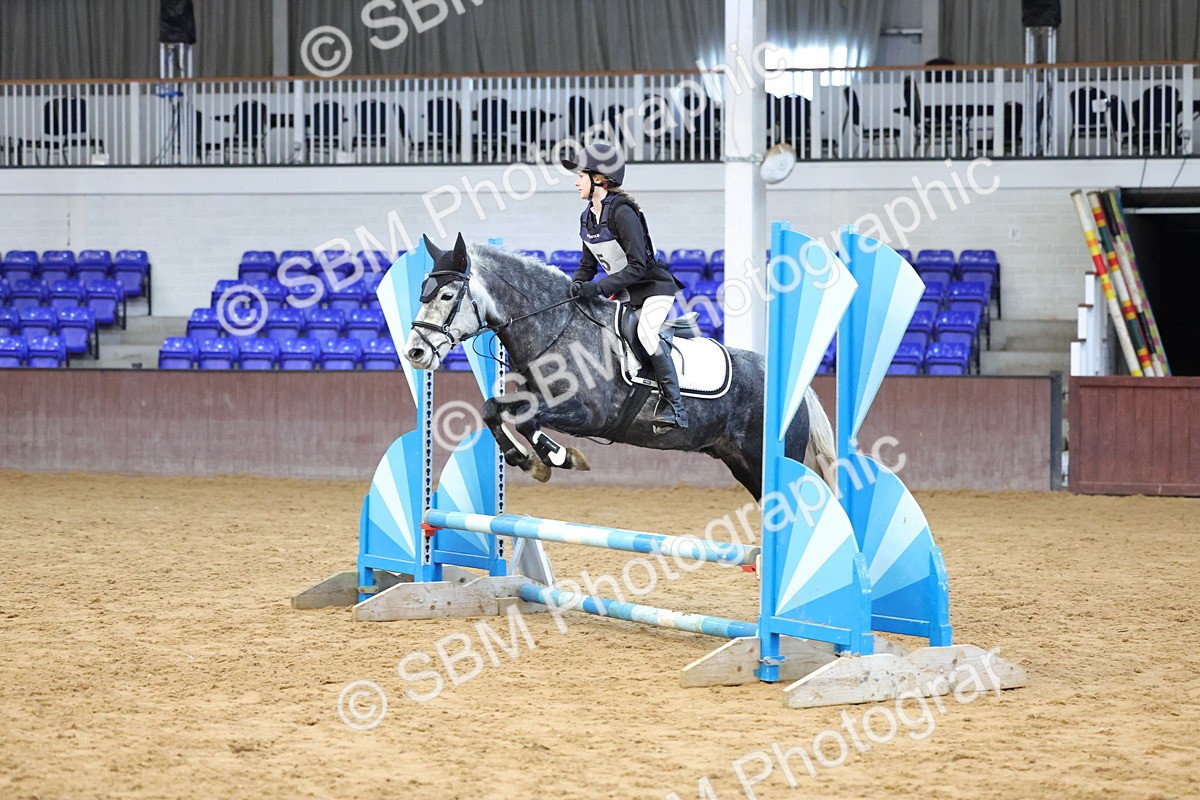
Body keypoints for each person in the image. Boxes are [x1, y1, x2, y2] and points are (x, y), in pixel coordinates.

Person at [561, 142, 688, 431]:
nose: (575, 181)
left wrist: (600, 288)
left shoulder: (622, 212)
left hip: (654, 289)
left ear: (599, 179)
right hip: (625, 296)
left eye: (580, 176)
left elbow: (638, 265)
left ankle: (676, 407)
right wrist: (575, 286)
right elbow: (587, 266)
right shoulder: (587, 218)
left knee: (646, 332)